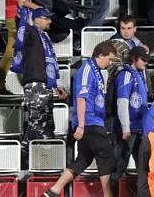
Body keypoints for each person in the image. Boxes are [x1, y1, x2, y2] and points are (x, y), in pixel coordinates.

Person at [42, 41, 117, 197]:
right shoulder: (87, 70)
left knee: (83, 160)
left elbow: (84, 98)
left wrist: (69, 98)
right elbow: (82, 99)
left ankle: (53, 191)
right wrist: (81, 126)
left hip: (91, 121)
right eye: (109, 59)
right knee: (107, 157)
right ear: (100, 55)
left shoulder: (94, 70)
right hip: (90, 123)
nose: (110, 63)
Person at [20, 7, 65, 149]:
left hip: (45, 84)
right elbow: (22, 28)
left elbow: (48, 64)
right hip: (35, 84)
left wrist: (54, 85)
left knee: (45, 123)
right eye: (46, 18)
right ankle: (30, 155)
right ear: (36, 19)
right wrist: (23, 8)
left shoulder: (43, 37)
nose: (50, 21)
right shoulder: (31, 33)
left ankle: (35, 155)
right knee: (38, 124)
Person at [112, 46, 150, 184]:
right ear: (134, 59)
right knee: (120, 164)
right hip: (129, 128)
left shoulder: (139, 74)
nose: (146, 63)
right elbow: (122, 101)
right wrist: (125, 127)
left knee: (142, 164)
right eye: (143, 60)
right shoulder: (126, 74)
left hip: (138, 127)